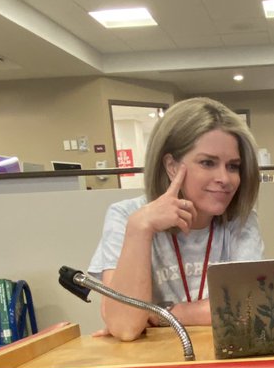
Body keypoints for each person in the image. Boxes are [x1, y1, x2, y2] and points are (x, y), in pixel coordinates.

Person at [89, 97, 264, 341]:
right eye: (208, 163)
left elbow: (248, 306)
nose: (225, 178)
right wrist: (140, 228)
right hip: (154, 366)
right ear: (171, 166)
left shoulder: (241, 221)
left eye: (233, 166)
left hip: (223, 359)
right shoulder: (126, 216)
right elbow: (125, 326)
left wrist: (164, 314)